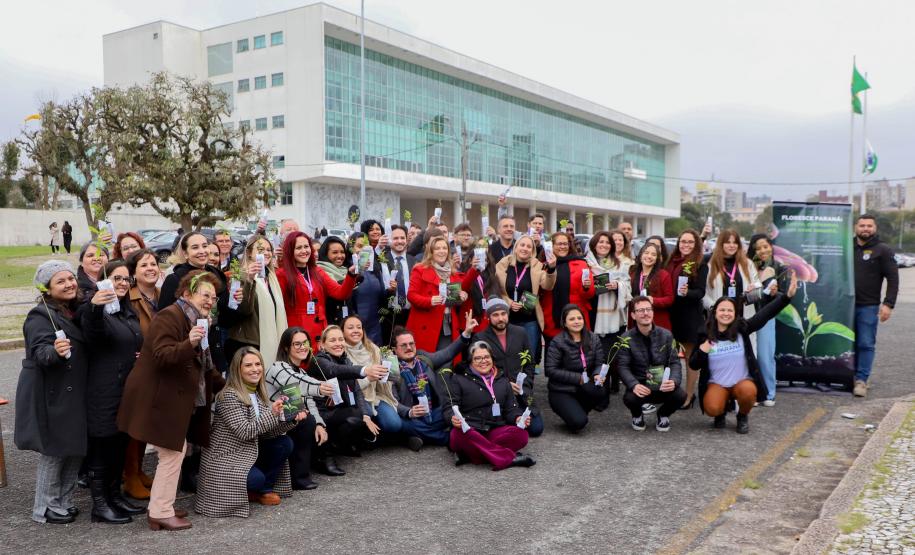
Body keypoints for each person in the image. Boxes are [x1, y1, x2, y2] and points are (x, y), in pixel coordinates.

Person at [118, 270, 226, 531]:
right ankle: (160, 511)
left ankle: (162, 505)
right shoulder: (170, 315)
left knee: (174, 451)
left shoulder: (199, 320)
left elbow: (203, 363)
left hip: (169, 396)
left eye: (213, 297)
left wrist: (227, 385)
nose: (210, 300)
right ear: (187, 293)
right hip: (156, 396)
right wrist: (189, 343)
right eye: (205, 295)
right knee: (173, 452)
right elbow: (162, 356)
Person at [16, 261, 87, 524]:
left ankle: (63, 502)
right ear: (47, 288)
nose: (69, 283)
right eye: (61, 281)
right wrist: (54, 352)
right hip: (54, 392)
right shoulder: (39, 315)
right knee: (55, 451)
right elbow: (39, 351)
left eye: (71, 278)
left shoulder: (73, 310)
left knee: (75, 448)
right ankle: (44, 508)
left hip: (75, 390)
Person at [195, 348, 305, 517]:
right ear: (237, 370)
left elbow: (267, 432)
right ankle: (255, 487)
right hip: (225, 457)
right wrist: (273, 413)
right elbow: (245, 432)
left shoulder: (257, 393)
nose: (255, 369)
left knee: (284, 443)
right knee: (256, 479)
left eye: (258, 364)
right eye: (248, 365)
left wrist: (291, 419)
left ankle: (263, 491)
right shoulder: (229, 396)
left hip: (245, 451)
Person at [79, 259, 145, 523]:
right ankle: (100, 505)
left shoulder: (126, 311)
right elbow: (94, 334)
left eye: (126, 279)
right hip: (103, 390)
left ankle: (114, 496)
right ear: (104, 281)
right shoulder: (93, 310)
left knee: (119, 445)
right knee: (102, 447)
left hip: (125, 390)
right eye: (116, 278)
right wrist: (96, 306)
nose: (121, 283)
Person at [691, 272, 797, 433]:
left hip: (741, 382)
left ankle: (742, 415)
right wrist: (702, 350)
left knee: (748, 392)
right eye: (722, 310)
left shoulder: (742, 328)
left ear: (734, 314)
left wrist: (786, 297)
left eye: (730, 311)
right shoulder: (705, 333)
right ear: (715, 312)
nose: (726, 314)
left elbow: (764, 314)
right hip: (717, 383)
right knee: (712, 408)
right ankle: (721, 412)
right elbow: (693, 364)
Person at [159, 231, 247, 373]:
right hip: (187, 349)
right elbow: (164, 319)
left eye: (204, 246)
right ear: (185, 254)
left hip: (215, 347)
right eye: (195, 247)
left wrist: (235, 302)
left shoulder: (217, 275)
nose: (202, 251)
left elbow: (225, 317)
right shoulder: (175, 279)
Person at [442, 341, 534, 470]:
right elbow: (448, 408)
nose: (483, 361)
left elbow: (511, 409)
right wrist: (452, 418)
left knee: (521, 435)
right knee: (457, 436)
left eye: (486, 357)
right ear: (470, 361)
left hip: (494, 429)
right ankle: (509, 458)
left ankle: (469, 455)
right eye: (477, 358)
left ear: (492, 358)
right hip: (469, 430)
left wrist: (518, 417)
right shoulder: (458, 379)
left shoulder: (503, 380)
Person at [388, 318, 475, 450]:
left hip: (434, 412)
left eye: (411, 343)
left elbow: (448, 353)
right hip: (411, 418)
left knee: (456, 409)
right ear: (395, 349)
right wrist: (409, 412)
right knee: (404, 425)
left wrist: (466, 333)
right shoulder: (391, 369)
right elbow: (391, 400)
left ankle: (416, 437)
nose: (409, 348)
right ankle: (450, 439)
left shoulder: (424, 359)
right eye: (404, 345)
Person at [266, 327, 334, 486]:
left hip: (289, 418)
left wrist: (319, 424)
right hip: (270, 422)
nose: (302, 347)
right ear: (285, 347)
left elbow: (309, 401)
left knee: (314, 420)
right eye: (296, 344)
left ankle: (308, 469)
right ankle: (299, 477)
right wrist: (320, 386)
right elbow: (294, 381)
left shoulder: (302, 373)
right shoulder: (278, 367)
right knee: (306, 421)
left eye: (305, 343)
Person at [472, 298, 543, 437]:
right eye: (495, 315)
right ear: (488, 317)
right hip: (495, 393)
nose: (500, 318)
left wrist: (525, 385)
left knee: (536, 428)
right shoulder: (480, 338)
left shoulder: (520, 332)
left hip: (520, 391)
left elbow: (529, 362)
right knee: (504, 426)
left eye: (503, 314)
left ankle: (512, 420)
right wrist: (504, 385)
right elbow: (479, 369)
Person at [341, 315, 414, 448]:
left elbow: (388, 380)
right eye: (350, 328)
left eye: (359, 327)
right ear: (343, 332)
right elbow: (349, 386)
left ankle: (377, 437)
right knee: (362, 415)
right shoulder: (341, 352)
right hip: (355, 398)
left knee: (394, 424)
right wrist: (369, 378)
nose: (356, 330)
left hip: (375, 396)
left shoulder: (372, 348)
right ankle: (365, 438)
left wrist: (388, 372)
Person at [122, 249, 161, 500]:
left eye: (154, 263)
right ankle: (130, 475)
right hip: (137, 366)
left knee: (148, 422)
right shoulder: (129, 297)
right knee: (134, 424)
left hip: (160, 364)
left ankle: (138, 470)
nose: (151, 268)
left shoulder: (161, 294)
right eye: (144, 265)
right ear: (133, 273)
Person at [617, 296, 686, 432]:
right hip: (641, 384)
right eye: (641, 310)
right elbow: (622, 366)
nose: (645, 313)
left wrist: (674, 380)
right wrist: (633, 384)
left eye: (648, 309)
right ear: (633, 315)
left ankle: (663, 414)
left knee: (681, 396)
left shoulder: (666, 335)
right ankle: (637, 415)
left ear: (653, 312)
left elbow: (674, 362)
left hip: (662, 384)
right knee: (629, 398)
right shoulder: (626, 338)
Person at [276, 231, 357, 346]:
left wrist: (351, 274)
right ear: (290, 251)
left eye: (306, 246)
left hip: (320, 332)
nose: (304, 251)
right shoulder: (282, 275)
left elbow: (340, 293)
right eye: (298, 248)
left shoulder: (318, 271)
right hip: (298, 333)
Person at [312, 326, 379, 458]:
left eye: (341, 339)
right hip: (324, 413)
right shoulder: (319, 361)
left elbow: (357, 390)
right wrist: (364, 370)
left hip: (343, 409)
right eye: (332, 340)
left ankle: (345, 444)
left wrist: (365, 415)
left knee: (366, 414)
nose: (338, 343)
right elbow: (335, 370)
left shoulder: (345, 360)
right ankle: (335, 445)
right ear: (322, 345)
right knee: (356, 414)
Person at [852, 214, 899, 397]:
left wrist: (888, 304)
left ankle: (862, 380)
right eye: (862, 225)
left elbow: (893, 279)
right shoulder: (847, 248)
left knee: (865, 343)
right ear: (856, 227)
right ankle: (850, 375)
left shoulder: (883, 250)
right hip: (845, 306)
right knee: (848, 343)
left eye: (869, 226)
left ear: (875, 228)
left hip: (868, 306)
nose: (865, 229)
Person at [405, 235, 479, 353]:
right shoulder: (420, 269)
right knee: (426, 362)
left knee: (446, 362)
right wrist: (430, 301)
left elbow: (462, 288)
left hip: (447, 324)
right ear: (431, 251)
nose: (441, 251)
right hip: (426, 324)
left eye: (444, 248)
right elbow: (411, 295)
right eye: (437, 248)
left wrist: (462, 293)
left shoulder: (452, 272)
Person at [495, 235, 556, 367]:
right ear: (516, 247)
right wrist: (509, 302)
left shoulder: (537, 266)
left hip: (530, 320)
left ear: (532, 251)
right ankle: (509, 386)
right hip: (508, 320)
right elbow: (497, 290)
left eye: (529, 246)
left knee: (529, 357)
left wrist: (551, 269)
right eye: (522, 245)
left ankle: (528, 386)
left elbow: (547, 285)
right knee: (509, 357)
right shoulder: (502, 264)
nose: (525, 248)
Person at [227, 235, 288, 367]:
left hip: (272, 340)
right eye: (260, 249)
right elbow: (243, 309)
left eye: (268, 249)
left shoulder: (271, 277)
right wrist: (249, 280)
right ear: (249, 253)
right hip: (249, 342)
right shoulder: (240, 275)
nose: (266, 253)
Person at [544, 304, 607, 432]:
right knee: (578, 423)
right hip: (561, 389)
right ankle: (572, 413)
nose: (577, 321)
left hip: (584, 385)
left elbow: (600, 362)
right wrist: (578, 378)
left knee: (600, 391)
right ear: (565, 323)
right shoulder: (557, 342)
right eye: (572, 319)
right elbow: (550, 370)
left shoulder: (593, 338)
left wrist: (596, 374)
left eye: (579, 318)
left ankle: (578, 411)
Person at [666, 229, 709, 408]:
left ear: (697, 244)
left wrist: (687, 293)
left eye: (690, 242)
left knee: (690, 358)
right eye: (683, 241)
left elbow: (700, 292)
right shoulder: (671, 261)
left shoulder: (700, 263)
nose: (686, 245)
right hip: (670, 313)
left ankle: (689, 396)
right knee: (668, 356)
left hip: (689, 316)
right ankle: (668, 391)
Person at [585, 231, 632, 393]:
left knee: (610, 355)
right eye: (601, 242)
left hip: (613, 316)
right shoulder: (586, 263)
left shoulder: (620, 264)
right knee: (594, 354)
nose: (604, 245)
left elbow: (628, 287)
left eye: (607, 242)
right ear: (594, 244)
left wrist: (618, 286)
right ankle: (596, 389)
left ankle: (609, 387)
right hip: (592, 313)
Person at [746, 234, 788, 406]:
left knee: (765, 355)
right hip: (747, 314)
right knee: (749, 354)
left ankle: (769, 393)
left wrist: (774, 293)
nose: (763, 251)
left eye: (766, 246)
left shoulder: (779, 267)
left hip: (766, 316)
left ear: (771, 246)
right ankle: (752, 392)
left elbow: (785, 296)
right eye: (758, 248)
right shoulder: (747, 265)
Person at [541, 232, 595, 343]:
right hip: (551, 319)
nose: (563, 247)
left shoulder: (581, 264)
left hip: (576, 319)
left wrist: (586, 288)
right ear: (552, 246)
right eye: (559, 244)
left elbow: (589, 294)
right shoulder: (543, 266)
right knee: (553, 356)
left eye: (565, 244)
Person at [704, 229, 760, 321]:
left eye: (735, 243)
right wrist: (714, 307)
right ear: (721, 244)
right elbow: (704, 293)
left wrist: (753, 291)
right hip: (719, 320)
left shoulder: (748, 264)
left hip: (744, 319)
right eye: (728, 242)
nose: (732, 245)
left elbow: (758, 288)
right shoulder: (711, 265)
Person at [348, 231, 387, 344]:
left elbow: (382, 295)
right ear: (351, 248)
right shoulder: (348, 268)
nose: (363, 250)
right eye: (359, 246)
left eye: (365, 246)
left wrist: (390, 290)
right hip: (356, 325)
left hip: (375, 325)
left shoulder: (375, 269)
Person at [629, 242, 674, 331]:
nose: (649, 256)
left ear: (657, 259)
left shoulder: (663, 275)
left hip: (657, 322)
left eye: (653, 254)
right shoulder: (633, 275)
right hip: (637, 323)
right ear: (641, 255)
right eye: (646, 253)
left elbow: (670, 299)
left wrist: (654, 300)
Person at [382, 224, 415, 334]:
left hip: (411, 312)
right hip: (389, 315)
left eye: (402, 238)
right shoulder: (382, 260)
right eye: (395, 238)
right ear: (389, 240)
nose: (399, 241)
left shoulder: (414, 261)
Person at [316, 235, 355, 326]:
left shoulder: (345, 271)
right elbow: (338, 291)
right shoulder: (319, 271)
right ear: (325, 254)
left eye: (342, 252)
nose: (340, 256)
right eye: (335, 252)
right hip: (330, 324)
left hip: (346, 323)